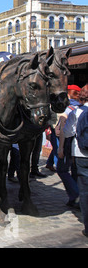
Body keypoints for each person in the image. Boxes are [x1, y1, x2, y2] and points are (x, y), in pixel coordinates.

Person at [62, 84, 88, 237]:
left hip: (81, 154)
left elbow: (67, 132)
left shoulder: (77, 112)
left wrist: (61, 149)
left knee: (85, 191)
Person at [57, 85, 81, 208]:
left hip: (69, 142)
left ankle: (76, 195)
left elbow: (63, 131)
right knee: (75, 171)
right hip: (80, 145)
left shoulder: (68, 109)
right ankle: (74, 198)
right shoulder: (81, 107)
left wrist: (60, 148)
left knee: (61, 169)